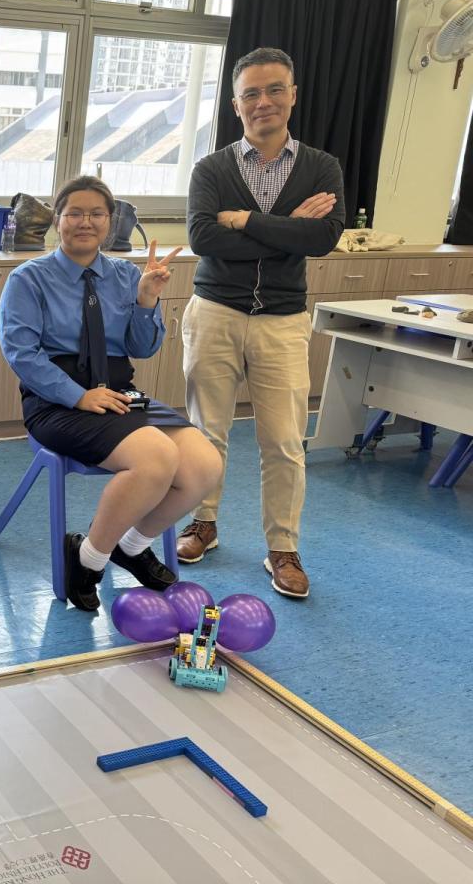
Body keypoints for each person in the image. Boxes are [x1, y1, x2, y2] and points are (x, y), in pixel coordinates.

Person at [0, 176, 222, 612]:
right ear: (58, 220)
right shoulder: (29, 279)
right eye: (75, 213)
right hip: (56, 401)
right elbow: (22, 354)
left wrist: (147, 300)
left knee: (204, 466)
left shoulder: (125, 275)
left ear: (110, 221)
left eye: (97, 214)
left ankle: (130, 546)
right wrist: (78, 396)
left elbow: (142, 347)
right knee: (156, 459)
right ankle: (90, 561)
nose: (86, 222)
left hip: (119, 394)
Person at [179, 47, 345, 599]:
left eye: (275, 89)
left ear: (292, 95)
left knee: (284, 442)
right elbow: (204, 238)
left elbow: (322, 238)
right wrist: (286, 228)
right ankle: (202, 522)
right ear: (236, 104)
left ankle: (283, 548)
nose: (263, 101)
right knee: (206, 432)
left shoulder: (321, 168)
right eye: (251, 93)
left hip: (282, 321)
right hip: (215, 312)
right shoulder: (211, 169)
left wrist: (246, 219)